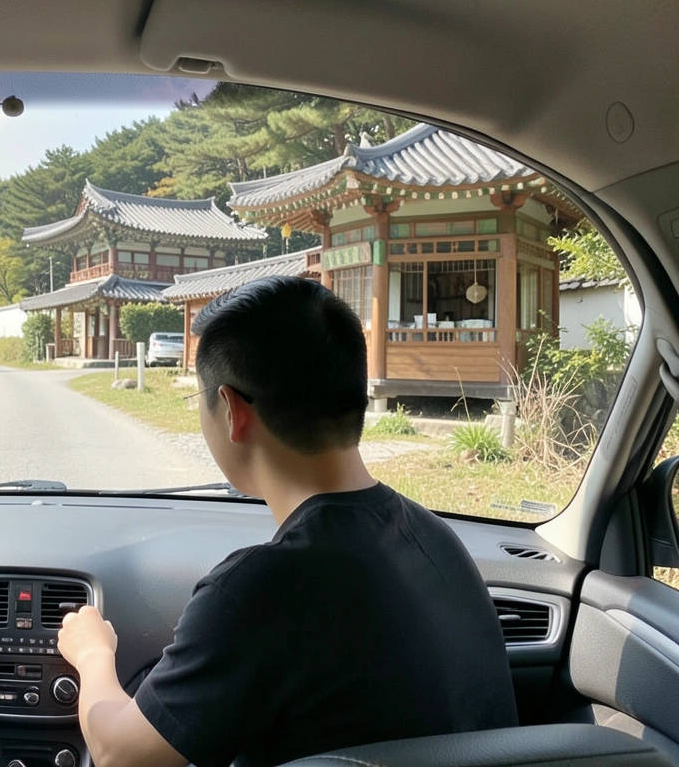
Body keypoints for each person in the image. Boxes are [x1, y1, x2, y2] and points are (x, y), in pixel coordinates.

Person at [57, 276, 516, 767]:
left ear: (232, 411)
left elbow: (118, 753)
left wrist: (92, 654)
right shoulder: (434, 537)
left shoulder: (258, 588)